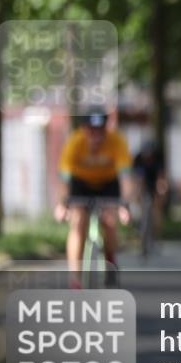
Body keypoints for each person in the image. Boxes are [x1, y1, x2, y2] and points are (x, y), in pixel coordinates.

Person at [54, 110, 134, 287]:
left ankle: (110, 259)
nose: (96, 137)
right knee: (78, 224)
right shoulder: (75, 142)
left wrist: (125, 205)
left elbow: (126, 178)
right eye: (91, 131)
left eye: (100, 131)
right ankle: (75, 278)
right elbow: (64, 179)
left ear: (106, 129)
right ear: (84, 129)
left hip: (108, 184)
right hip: (80, 184)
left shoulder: (117, 142)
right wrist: (61, 204)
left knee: (110, 222)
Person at [132, 139, 168, 256]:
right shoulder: (138, 159)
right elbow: (137, 179)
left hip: (154, 182)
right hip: (143, 182)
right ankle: (141, 236)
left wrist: (161, 192)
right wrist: (137, 195)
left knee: (156, 211)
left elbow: (161, 178)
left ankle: (156, 236)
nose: (148, 157)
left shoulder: (159, 158)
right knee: (142, 207)